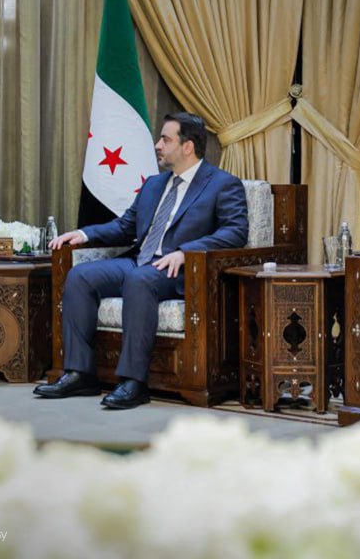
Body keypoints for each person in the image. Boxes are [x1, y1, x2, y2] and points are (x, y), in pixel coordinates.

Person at [36, 112, 248, 409]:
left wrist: (187, 251)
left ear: (188, 147)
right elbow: (126, 227)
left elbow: (236, 231)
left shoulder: (222, 184)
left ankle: (133, 382)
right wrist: (84, 234)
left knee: (140, 279)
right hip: (139, 261)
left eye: (165, 139)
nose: (158, 145)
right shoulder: (154, 184)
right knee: (80, 276)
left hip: (179, 269)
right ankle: (80, 373)